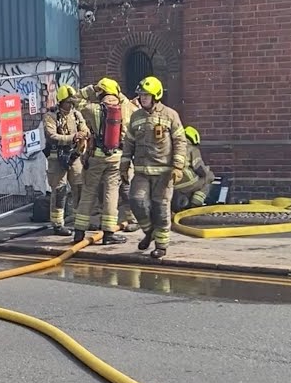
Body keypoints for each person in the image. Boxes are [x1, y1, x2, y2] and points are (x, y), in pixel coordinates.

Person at [122, 76, 186, 259]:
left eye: (146, 95)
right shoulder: (136, 117)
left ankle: (161, 245)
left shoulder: (170, 115)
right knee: (136, 200)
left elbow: (180, 141)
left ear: (156, 96)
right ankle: (149, 231)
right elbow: (129, 142)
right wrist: (124, 163)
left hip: (164, 173)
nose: (142, 98)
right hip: (141, 172)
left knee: (161, 207)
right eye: (141, 95)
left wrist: (178, 166)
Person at [71, 77, 133, 245]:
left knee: (88, 192)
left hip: (96, 157)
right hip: (116, 158)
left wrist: (90, 89)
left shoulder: (92, 109)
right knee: (111, 194)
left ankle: (78, 233)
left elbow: (73, 100)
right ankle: (108, 235)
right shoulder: (124, 108)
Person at [43, 85, 86, 235]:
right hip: (57, 159)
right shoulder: (51, 116)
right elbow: (52, 136)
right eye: (68, 102)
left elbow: (85, 129)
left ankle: (78, 220)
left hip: (74, 157)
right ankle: (57, 224)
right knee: (60, 190)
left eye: (73, 102)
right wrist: (72, 138)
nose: (71, 105)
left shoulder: (76, 114)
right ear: (61, 102)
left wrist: (82, 135)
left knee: (79, 187)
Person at [172, 125, 216, 213]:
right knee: (209, 177)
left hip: (171, 182)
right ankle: (195, 204)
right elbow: (198, 167)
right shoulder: (192, 148)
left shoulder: (172, 147)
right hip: (186, 180)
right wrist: (206, 173)